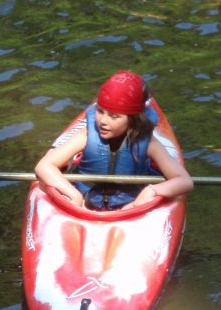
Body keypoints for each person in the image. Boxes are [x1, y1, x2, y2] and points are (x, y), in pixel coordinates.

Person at [35, 70, 193, 210]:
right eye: (100, 111)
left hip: (131, 204)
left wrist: (152, 191)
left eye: (114, 116)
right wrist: (74, 195)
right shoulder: (86, 134)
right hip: (85, 201)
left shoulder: (148, 142)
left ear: (133, 119)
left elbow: (184, 181)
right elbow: (44, 166)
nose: (103, 121)